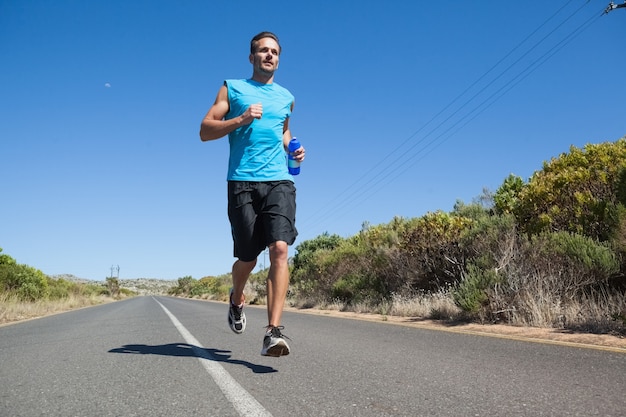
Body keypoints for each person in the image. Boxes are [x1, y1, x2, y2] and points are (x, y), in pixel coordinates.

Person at [199, 31, 305, 357]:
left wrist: (294, 148)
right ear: (252, 57)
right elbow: (205, 130)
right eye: (263, 51)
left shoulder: (286, 97)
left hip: (278, 182)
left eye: (274, 51)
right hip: (242, 182)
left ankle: (273, 332)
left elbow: (283, 131)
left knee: (280, 249)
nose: (269, 55)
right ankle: (236, 297)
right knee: (247, 257)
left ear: (278, 58)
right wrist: (241, 118)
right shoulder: (233, 88)